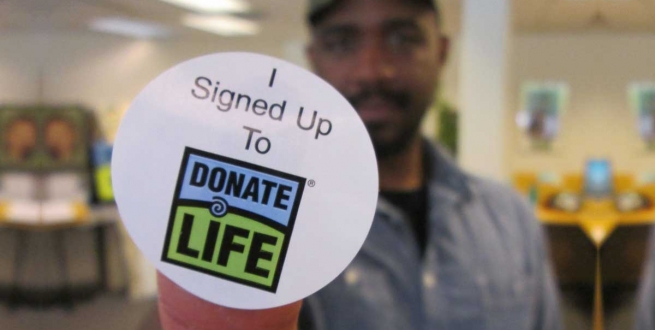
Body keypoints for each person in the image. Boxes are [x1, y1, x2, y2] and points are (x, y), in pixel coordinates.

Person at [157, 0, 562, 329]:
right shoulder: (259, 215)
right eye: (342, 43)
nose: (373, 70)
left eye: (402, 38)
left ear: (440, 53)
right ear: (314, 60)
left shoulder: (511, 218)